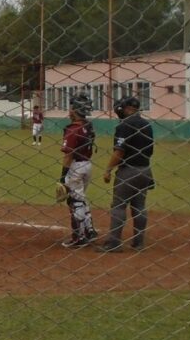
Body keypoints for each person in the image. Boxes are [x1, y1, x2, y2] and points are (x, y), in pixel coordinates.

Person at [98, 97, 155, 252]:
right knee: (139, 207)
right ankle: (138, 243)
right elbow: (150, 151)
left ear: (128, 108)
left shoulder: (124, 125)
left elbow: (119, 151)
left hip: (128, 170)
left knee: (119, 206)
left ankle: (114, 244)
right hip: (145, 170)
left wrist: (108, 169)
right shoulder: (147, 124)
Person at [59, 94, 98, 248]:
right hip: (87, 165)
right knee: (81, 198)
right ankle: (89, 230)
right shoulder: (88, 126)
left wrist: (62, 177)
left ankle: (79, 237)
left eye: (71, 109)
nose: (69, 112)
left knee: (74, 201)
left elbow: (68, 155)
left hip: (75, 167)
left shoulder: (73, 130)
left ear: (75, 111)